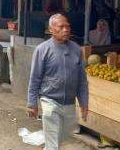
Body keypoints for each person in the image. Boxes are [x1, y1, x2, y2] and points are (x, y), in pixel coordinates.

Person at [27, 14, 88, 150]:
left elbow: (82, 80)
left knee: (60, 138)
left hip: (69, 104)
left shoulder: (77, 50)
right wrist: (32, 103)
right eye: (61, 26)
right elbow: (35, 78)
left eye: (68, 26)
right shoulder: (42, 50)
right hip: (50, 101)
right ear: (51, 29)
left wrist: (84, 102)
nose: (66, 29)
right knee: (53, 143)